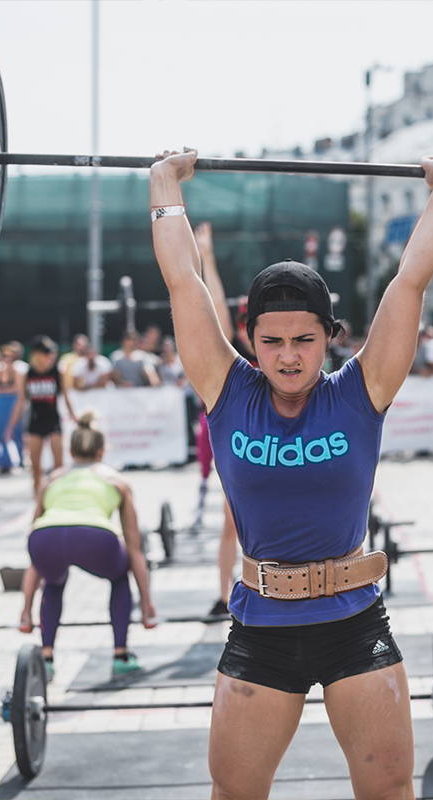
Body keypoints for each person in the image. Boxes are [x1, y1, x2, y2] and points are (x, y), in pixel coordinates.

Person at [151, 147, 433, 799]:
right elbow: (185, 282)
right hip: (261, 630)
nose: (288, 357)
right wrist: (163, 184)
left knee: (389, 793)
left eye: (304, 340)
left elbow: (408, 281)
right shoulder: (225, 388)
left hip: (354, 626)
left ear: (329, 336)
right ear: (250, 340)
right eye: (272, 341)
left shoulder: (361, 390)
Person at [18, 412, 156, 680]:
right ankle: (120, 654)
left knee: (53, 580)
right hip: (95, 538)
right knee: (119, 576)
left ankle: (46, 657)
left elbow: (35, 556)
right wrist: (147, 604)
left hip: (44, 538)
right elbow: (134, 548)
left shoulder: (52, 479)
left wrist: (25, 611)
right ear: (102, 452)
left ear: (70, 451)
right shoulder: (117, 481)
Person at [191, 221, 245, 617]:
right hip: (241, 450)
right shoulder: (240, 358)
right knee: (232, 526)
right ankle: (225, 596)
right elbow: (215, 318)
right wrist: (206, 257)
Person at [5, 335, 78, 499]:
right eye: (46, 354)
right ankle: (38, 499)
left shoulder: (57, 372)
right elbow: (21, 401)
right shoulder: (28, 374)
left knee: (58, 465)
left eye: (51, 354)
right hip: (35, 421)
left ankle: (59, 496)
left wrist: (74, 417)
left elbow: (66, 397)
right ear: (37, 355)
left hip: (53, 420)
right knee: (36, 467)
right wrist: (11, 426)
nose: (50, 358)